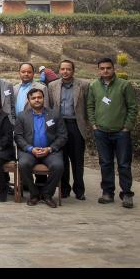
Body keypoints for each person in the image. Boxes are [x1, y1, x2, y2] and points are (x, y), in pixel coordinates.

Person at [87, 57, 138, 209]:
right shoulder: (94, 86)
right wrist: (94, 125)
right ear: (98, 70)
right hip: (101, 132)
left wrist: (127, 127)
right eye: (102, 68)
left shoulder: (124, 85)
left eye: (108, 68)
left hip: (121, 133)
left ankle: (127, 193)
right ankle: (108, 192)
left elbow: (132, 107)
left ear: (113, 68)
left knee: (123, 164)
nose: (105, 71)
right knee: (105, 163)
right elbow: (90, 106)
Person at [14, 88, 67, 207]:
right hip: (29, 151)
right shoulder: (22, 116)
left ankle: (47, 194)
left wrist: (49, 149)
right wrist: (30, 148)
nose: (37, 100)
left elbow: (62, 136)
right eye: (33, 98)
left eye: (39, 97)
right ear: (28, 100)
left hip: (50, 151)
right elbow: (18, 136)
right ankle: (34, 194)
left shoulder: (54, 114)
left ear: (44, 98)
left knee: (58, 166)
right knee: (23, 164)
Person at [47, 59, 89, 200]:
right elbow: (50, 107)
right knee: (62, 158)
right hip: (59, 126)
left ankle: (79, 189)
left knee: (77, 160)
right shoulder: (52, 86)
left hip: (76, 125)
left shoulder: (83, 85)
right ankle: (64, 188)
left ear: (73, 70)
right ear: (59, 70)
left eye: (68, 69)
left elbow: (88, 107)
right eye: (63, 69)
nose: (65, 71)